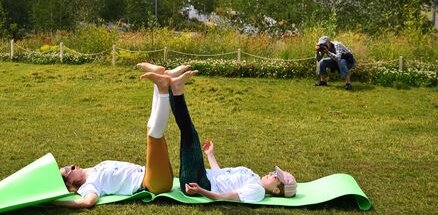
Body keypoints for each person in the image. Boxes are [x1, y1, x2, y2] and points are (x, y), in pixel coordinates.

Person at [139, 63, 297, 202]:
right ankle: (172, 86)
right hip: (203, 176)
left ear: (277, 190)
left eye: (276, 177)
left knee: (190, 135)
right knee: (188, 135)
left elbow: (226, 197)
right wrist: (210, 155)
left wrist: (200, 191)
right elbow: (221, 176)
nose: (271, 173)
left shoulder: (257, 191)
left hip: (198, 183)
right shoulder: (253, 176)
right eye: (274, 172)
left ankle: (174, 88)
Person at [53, 65, 190, 209]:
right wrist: (53, 202)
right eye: (70, 169)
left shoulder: (89, 172)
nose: (75, 166)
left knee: (151, 128)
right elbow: (87, 202)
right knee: (154, 136)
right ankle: (163, 89)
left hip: (150, 172)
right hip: (152, 184)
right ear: (69, 183)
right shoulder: (88, 187)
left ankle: (161, 80)